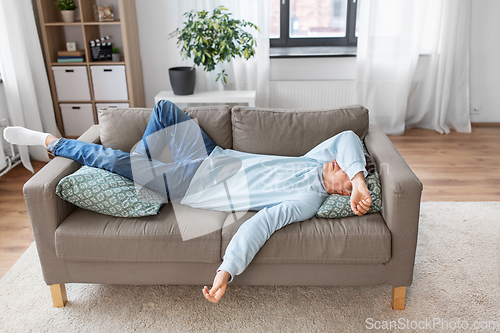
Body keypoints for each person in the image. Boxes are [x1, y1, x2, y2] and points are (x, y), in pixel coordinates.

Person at [3, 100, 372, 303]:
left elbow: (260, 227)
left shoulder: (308, 201)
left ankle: (50, 142)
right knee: (164, 109)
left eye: (345, 193)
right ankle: (145, 165)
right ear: (337, 166)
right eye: (344, 186)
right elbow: (347, 136)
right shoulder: (316, 158)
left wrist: (226, 271)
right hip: (212, 156)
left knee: (114, 161)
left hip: (189, 183)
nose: (341, 195)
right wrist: (359, 183)